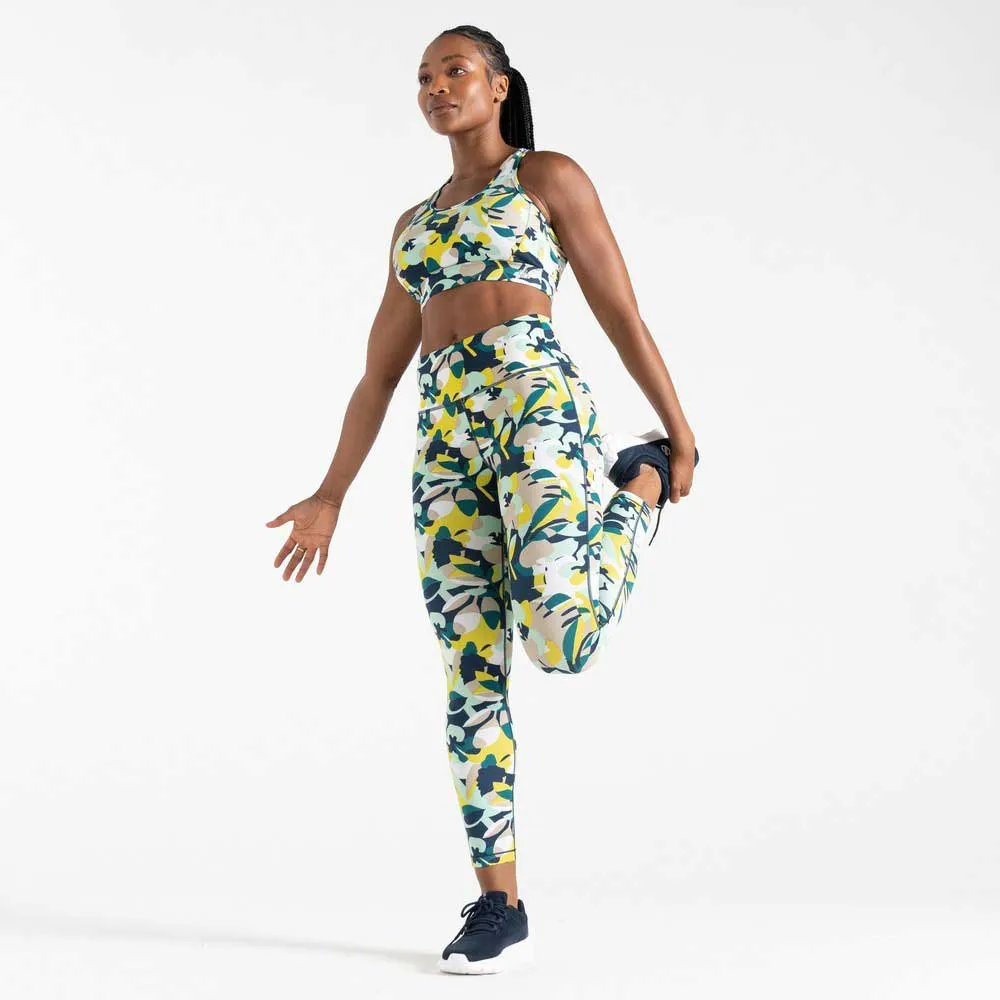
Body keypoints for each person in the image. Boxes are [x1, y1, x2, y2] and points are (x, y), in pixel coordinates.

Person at [265, 24, 699, 975]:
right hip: (445, 439)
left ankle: (638, 485)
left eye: (454, 70)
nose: (436, 87)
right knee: (470, 671)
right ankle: (500, 902)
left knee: (561, 641)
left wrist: (678, 431)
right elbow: (378, 376)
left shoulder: (546, 177)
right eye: (423, 77)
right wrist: (330, 494)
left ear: (499, 85)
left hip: (533, 402)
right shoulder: (414, 226)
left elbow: (619, 309)